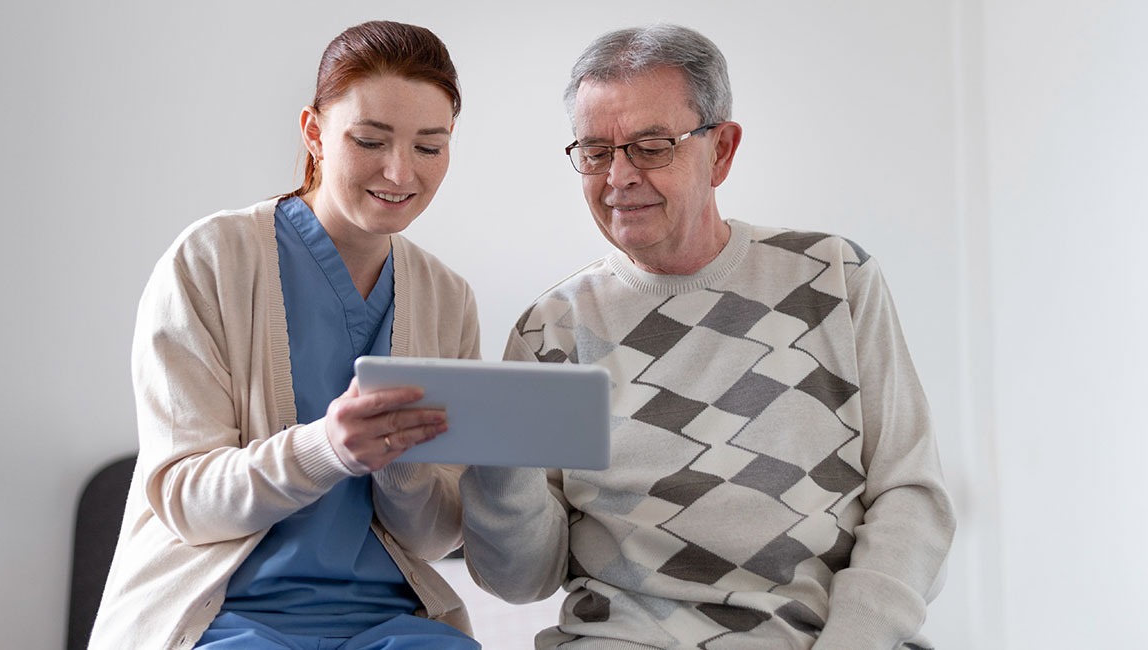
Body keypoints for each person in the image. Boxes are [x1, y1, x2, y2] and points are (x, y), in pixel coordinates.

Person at [460, 24, 955, 650]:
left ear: (721, 150)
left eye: (650, 146)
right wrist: (501, 471)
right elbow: (522, 580)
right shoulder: (549, 331)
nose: (618, 177)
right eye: (594, 151)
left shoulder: (834, 278)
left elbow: (910, 494)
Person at [89, 21, 482, 650]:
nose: (399, 171)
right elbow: (186, 498)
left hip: (387, 622)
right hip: (222, 615)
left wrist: (401, 467)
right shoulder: (211, 260)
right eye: (369, 140)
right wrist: (328, 448)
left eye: (429, 148)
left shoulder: (447, 300)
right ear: (313, 133)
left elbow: (434, 539)